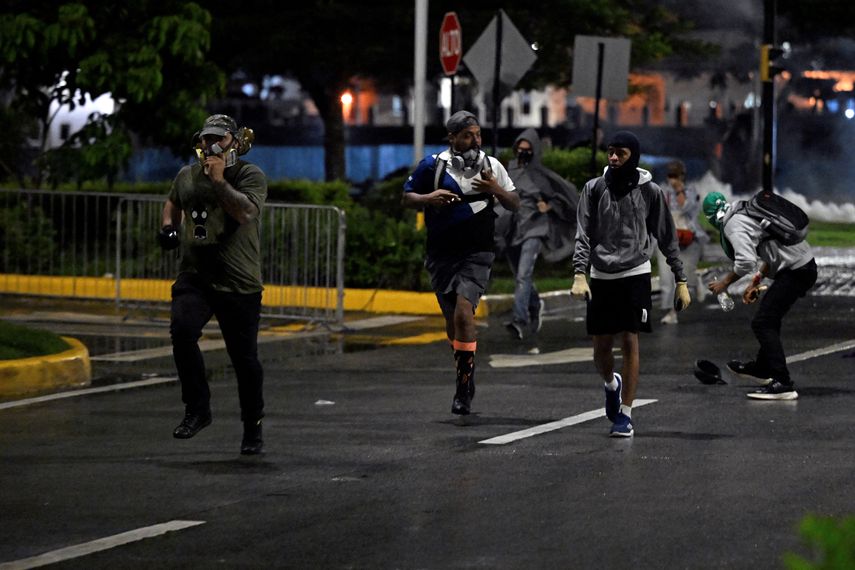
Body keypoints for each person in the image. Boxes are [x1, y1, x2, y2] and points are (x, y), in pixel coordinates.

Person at [159, 114, 268, 454]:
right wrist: (168, 227)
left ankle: (253, 426)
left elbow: (246, 213)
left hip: (238, 282)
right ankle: (198, 408)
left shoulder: (249, 174)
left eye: (219, 139)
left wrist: (220, 181)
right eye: (206, 139)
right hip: (197, 276)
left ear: (234, 142)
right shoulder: (187, 175)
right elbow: (173, 201)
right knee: (182, 331)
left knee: (244, 360)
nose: (211, 145)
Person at [570, 131, 691, 437]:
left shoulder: (649, 191)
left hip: (635, 273)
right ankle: (611, 383)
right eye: (610, 152)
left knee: (630, 340)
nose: (613, 158)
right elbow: (583, 233)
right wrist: (579, 273)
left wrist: (681, 278)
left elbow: (666, 235)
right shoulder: (594, 189)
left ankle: (625, 413)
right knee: (601, 349)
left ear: (632, 156)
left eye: (620, 153)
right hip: (601, 275)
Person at [402, 110, 520, 415]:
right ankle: (464, 366)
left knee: (464, 315)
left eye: (478, 134)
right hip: (441, 252)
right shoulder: (433, 166)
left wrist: (494, 189)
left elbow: (515, 202)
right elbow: (407, 197)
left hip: (477, 251)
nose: (475, 140)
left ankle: (463, 386)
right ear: (452, 137)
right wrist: (429, 198)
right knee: (452, 318)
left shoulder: (491, 166)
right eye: (467, 135)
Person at [703, 192, 817, 400]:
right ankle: (763, 369)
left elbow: (745, 261)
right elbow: (771, 246)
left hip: (796, 270)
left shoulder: (732, 224)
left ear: (710, 217)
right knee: (769, 319)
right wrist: (756, 280)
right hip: (801, 266)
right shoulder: (743, 209)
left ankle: (783, 384)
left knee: (763, 322)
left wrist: (724, 283)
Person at [498, 129, 578, 340]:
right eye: (520, 149)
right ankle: (535, 304)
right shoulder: (509, 170)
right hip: (513, 229)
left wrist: (549, 205)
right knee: (519, 275)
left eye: (527, 149)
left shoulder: (541, 174)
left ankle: (519, 319)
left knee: (524, 274)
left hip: (535, 228)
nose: (523, 152)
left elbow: (563, 195)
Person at [655, 160, 709, 324]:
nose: (672, 179)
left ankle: (696, 281)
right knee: (666, 278)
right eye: (670, 175)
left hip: (688, 237)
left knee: (685, 277)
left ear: (682, 176)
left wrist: (679, 190)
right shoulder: (662, 191)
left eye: (675, 175)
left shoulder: (691, 191)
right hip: (667, 238)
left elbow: (687, 208)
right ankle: (672, 313)